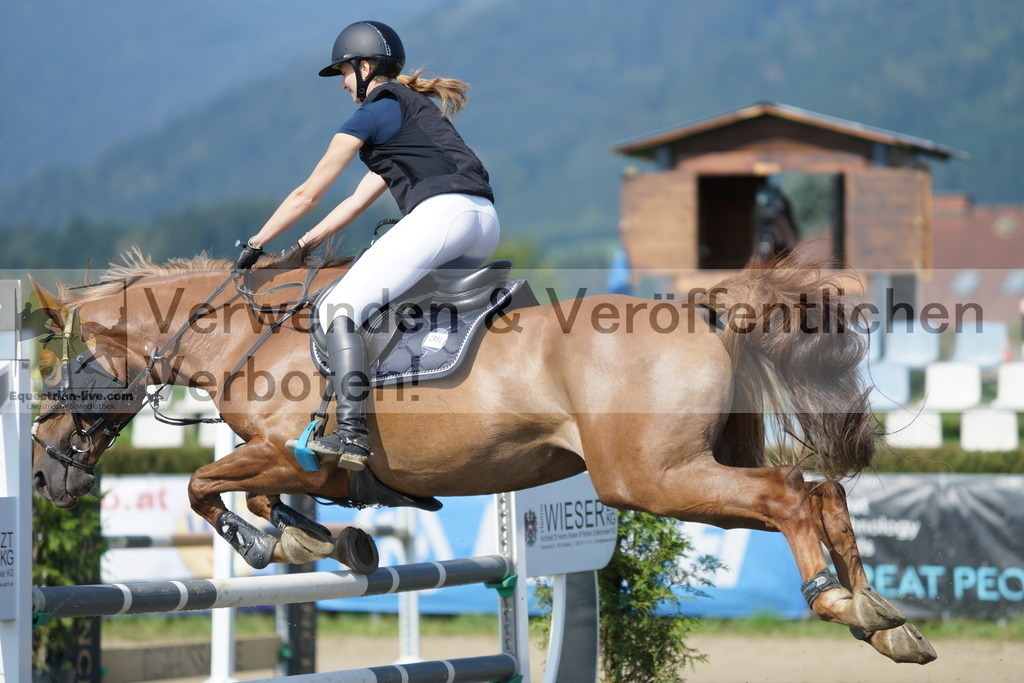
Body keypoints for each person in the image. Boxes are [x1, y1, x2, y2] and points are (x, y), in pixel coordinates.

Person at [234, 20, 498, 471]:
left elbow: (308, 194)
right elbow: (355, 203)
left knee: (338, 308)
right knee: (394, 309)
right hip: (483, 223)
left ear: (365, 66)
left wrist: (256, 245)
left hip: (441, 218)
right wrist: (301, 246)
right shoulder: (413, 115)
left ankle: (352, 434)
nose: (342, 84)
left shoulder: (373, 112)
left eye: (343, 72)